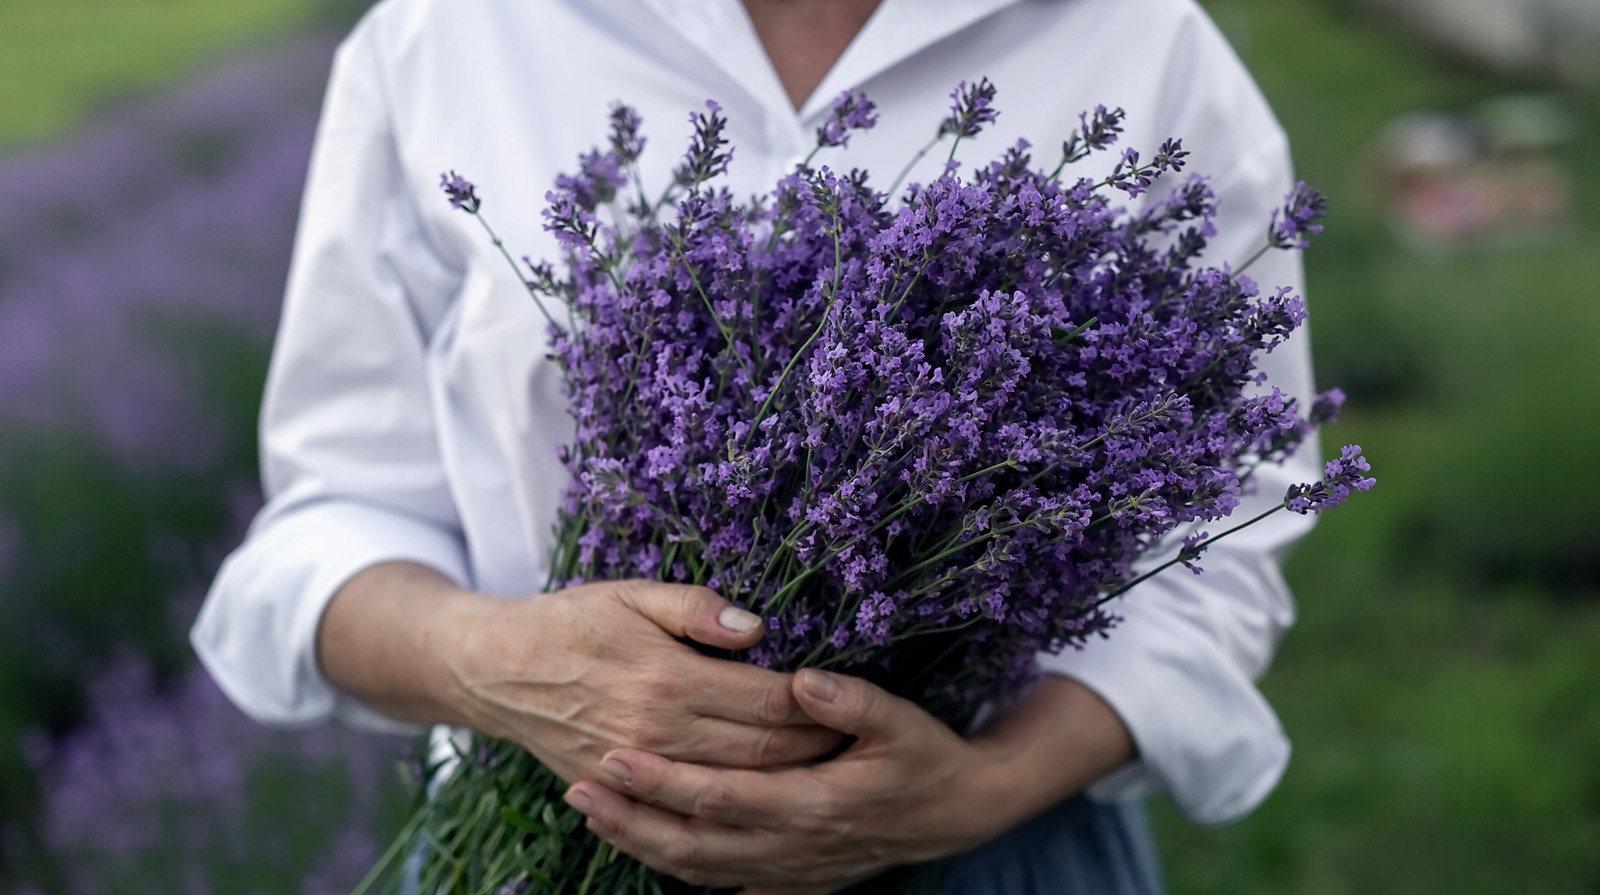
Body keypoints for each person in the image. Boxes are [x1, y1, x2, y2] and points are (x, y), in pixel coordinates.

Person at [192, 0, 1321, 891]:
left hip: (985, 857)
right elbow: (332, 522)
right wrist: (492, 661)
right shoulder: (449, 34)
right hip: (545, 847)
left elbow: (1218, 548)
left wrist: (981, 784)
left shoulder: (1142, 41)